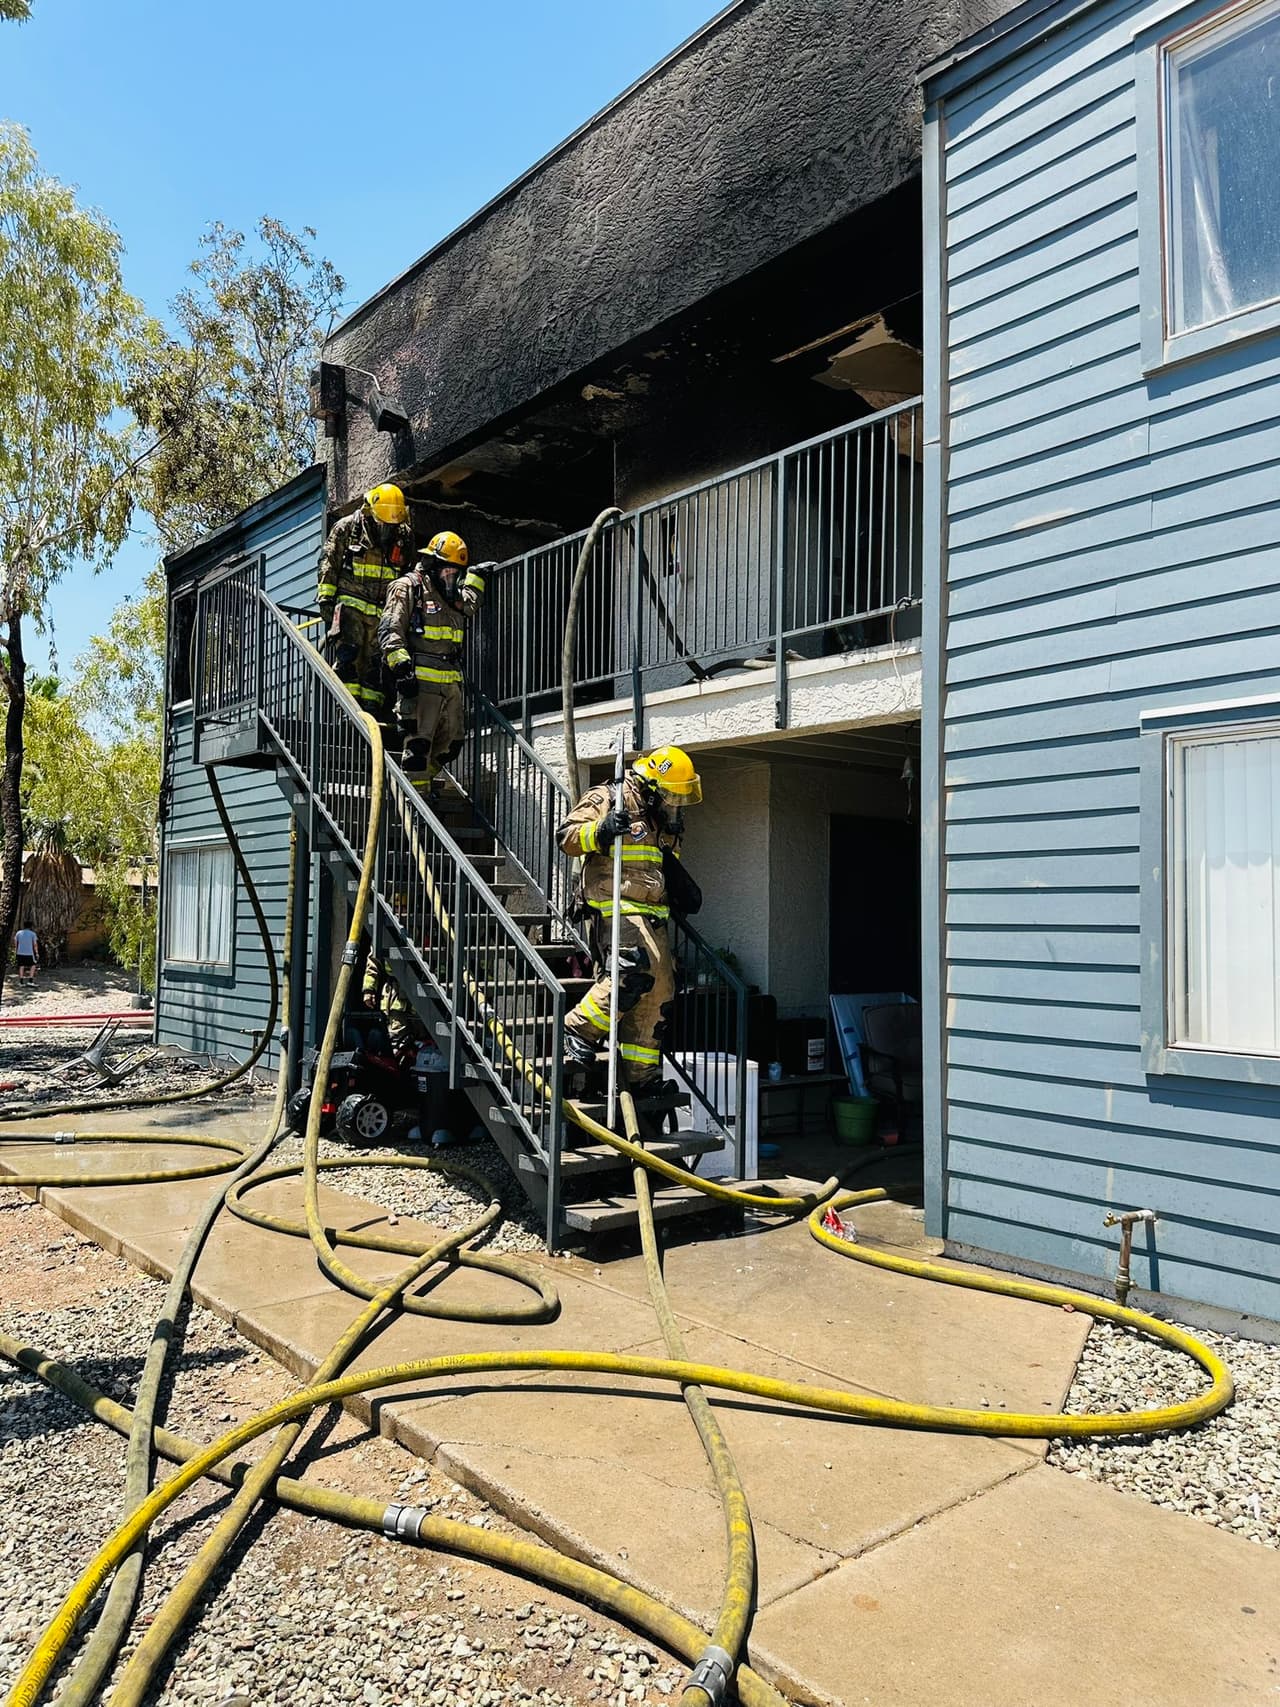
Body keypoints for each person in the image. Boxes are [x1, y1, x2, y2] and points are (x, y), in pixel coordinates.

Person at [557, 746, 703, 1094]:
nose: (675, 801)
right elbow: (566, 837)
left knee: (661, 993)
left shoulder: (665, 820)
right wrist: (602, 830)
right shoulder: (610, 797)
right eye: (670, 793)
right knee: (632, 970)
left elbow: (657, 867)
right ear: (651, 785)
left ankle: (641, 1077)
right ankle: (578, 1030)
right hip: (613, 904)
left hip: (654, 915)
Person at [378, 530, 488, 799]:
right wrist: (401, 667)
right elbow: (390, 629)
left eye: (456, 573)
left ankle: (412, 786)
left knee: (453, 743)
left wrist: (475, 577)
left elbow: (471, 604)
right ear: (432, 564)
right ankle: (417, 806)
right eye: (448, 571)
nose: (452, 578)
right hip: (421, 683)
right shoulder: (408, 587)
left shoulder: (452, 594)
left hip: (450, 681)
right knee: (417, 748)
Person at [317, 483, 415, 716]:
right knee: (349, 656)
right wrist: (326, 601)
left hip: (383, 609)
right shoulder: (347, 528)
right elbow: (329, 564)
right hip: (351, 603)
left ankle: (371, 709)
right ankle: (348, 710)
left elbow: (407, 571)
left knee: (376, 663)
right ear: (371, 512)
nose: (388, 528)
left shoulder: (403, 535)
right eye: (384, 523)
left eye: (393, 524)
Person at [361, 953, 424, 1049]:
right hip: (395, 994)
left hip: (419, 989)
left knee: (422, 1035)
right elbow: (372, 965)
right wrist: (368, 990)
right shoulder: (382, 939)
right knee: (398, 1036)